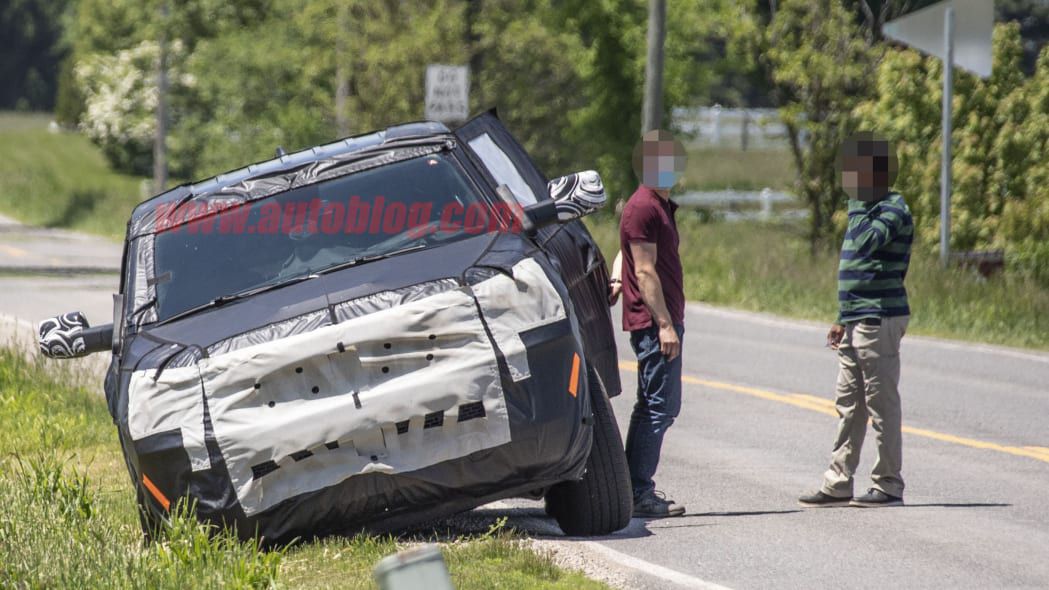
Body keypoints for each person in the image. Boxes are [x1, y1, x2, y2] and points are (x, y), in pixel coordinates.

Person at [799, 132, 913, 508]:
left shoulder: (892, 208)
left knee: (881, 404)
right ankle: (838, 481)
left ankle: (888, 483)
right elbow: (858, 269)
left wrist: (856, 204)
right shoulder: (865, 206)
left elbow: (866, 244)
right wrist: (840, 318)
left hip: (880, 317)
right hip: (855, 318)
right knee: (849, 403)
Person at [614, 129, 687, 518]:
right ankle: (638, 491)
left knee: (655, 406)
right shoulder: (643, 206)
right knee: (659, 407)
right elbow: (643, 270)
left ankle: (632, 487)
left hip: (661, 320)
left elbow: (624, 254)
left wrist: (614, 274)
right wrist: (664, 324)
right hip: (653, 323)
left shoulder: (656, 206)